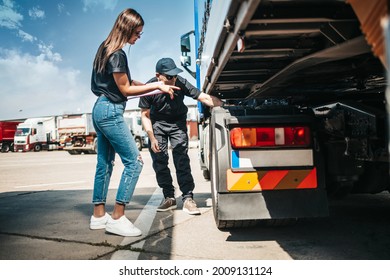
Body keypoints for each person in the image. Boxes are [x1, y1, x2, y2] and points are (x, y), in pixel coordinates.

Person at [89, 9, 179, 237]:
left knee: (104, 164)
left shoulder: (104, 48)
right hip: (110, 110)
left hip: (99, 108)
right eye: (137, 33)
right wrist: (157, 86)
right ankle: (117, 217)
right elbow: (126, 89)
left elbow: (126, 82)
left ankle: (99, 215)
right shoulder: (118, 54)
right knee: (134, 162)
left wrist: (155, 85)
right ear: (127, 29)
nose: (139, 37)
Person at [138, 58, 222, 215]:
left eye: (175, 75)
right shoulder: (149, 88)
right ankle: (169, 197)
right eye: (169, 77)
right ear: (158, 76)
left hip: (178, 124)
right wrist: (152, 137)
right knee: (160, 160)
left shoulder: (180, 82)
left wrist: (224, 105)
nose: (173, 79)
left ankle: (188, 198)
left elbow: (202, 97)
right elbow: (144, 114)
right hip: (157, 125)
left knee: (181, 159)